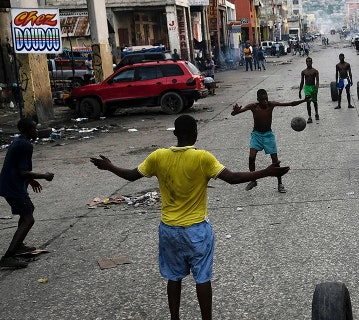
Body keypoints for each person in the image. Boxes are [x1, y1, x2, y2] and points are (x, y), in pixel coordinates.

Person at [89, 115, 289, 319]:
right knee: (202, 278)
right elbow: (233, 178)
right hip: (197, 230)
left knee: (174, 278)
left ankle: (174, 317)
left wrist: (110, 166)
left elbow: (132, 175)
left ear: (175, 134)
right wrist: (266, 172)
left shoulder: (158, 156)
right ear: (195, 134)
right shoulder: (202, 158)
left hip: (169, 229)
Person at [0, 118, 54, 268]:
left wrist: (31, 181)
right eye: (34, 129)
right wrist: (44, 176)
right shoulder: (25, 145)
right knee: (29, 219)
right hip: (12, 187)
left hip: (10, 184)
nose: (36, 131)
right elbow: (23, 172)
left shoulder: (19, 141)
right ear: (29, 130)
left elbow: (18, 168)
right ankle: (8, 256)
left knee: (28, 211)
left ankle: (18, 246)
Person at [231, 89, 309, 193]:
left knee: (275, 161)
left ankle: (280, 184)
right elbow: (234, 114)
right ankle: (253, 180)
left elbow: (290, 104)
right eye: (263, 100)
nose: (265, 101)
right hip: (256, 135)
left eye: (266, 99)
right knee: (251, 158)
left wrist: (303, 100)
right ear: (258, 100)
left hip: (268, 135)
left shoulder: (271, 105)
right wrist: (235, 111)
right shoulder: (253, 106)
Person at [299, 57, 319, 124]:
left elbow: (317, 81)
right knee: (308, 102)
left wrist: (316, 88)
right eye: (307, 61)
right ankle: (309, 117)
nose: (308, 63)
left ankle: (316, 113)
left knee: (314, 102)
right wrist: (300, 91)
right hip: (307, 87)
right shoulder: (304, 72)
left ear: (312, 62)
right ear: (306, 62)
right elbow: (302, 81)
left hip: (313, 87)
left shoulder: (315, 71)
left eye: (310, 61)